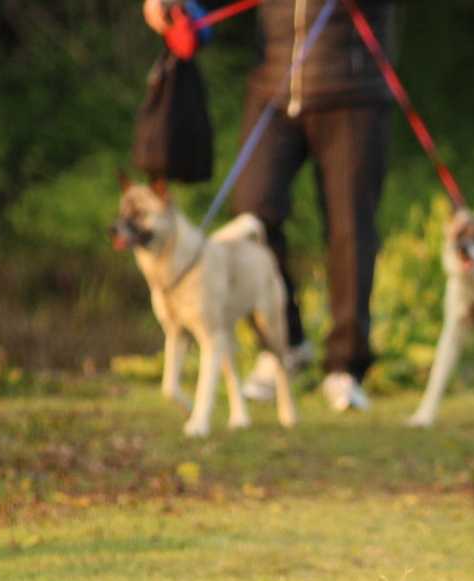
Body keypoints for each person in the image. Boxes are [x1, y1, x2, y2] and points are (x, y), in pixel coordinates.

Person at [142, 0, 395, 411]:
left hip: (352, 89)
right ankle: (285, 343)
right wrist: (178, 6)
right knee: (253, 212)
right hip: (274, 86)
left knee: (350, 228)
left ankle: (345, 367)